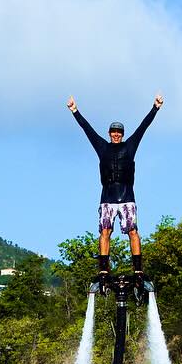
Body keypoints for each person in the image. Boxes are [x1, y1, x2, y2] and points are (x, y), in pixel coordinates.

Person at [66, 92, 163, 284]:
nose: (116, 135)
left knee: (133, 231)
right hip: (107, 198)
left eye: (119, 132)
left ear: (122, 135)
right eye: (113, 132)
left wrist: (155, 108)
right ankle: (103, 270)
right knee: (105, 231)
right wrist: (75, 111)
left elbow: (143, 127)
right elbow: (88, 130)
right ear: (109, 134)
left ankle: (138, 270)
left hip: (127, 197)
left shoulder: (130, 146)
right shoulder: (102, 147)